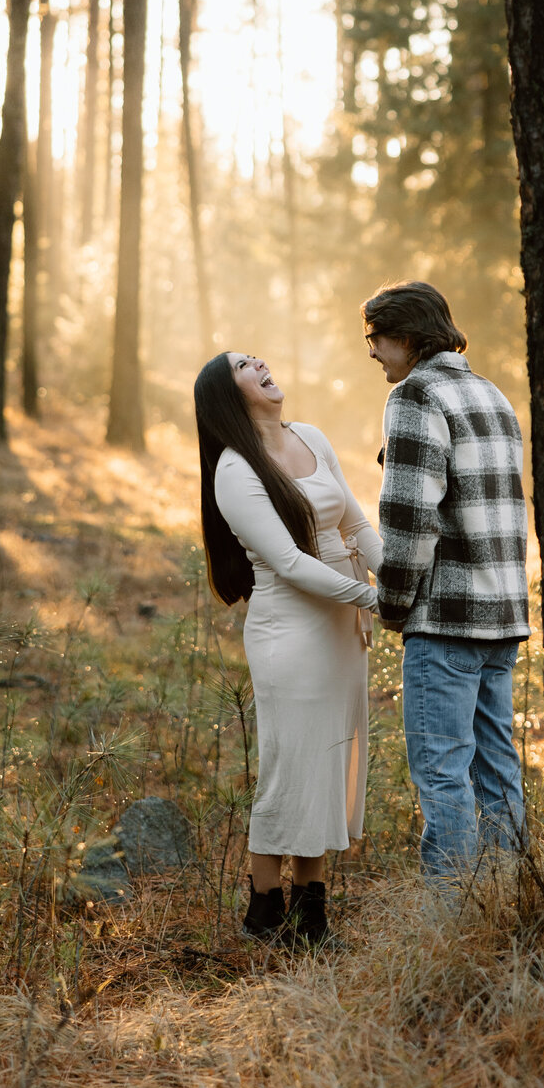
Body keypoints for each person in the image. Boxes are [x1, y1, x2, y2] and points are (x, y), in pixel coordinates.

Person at [194, 350, 382, 947]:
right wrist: (373, 599)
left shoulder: (311, 437)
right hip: (291, 633)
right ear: (230, 394)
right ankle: (264, 915)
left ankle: (311, 917)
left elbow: (354, 525)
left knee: (326, 764)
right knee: (289, 769)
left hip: (341, 631)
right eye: (245, 364)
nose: (262, 364)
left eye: (258, 356)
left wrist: (396, 582)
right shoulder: (234, 470)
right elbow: (289, 562)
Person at [364, 280, 529, 880]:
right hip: (502, 615)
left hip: (446, 619)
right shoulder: (492, 395)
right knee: (497, 769)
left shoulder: (416, 396)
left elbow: (409, 517)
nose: (372, 353)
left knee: (441, 774)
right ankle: (510, 901)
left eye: (376, 340)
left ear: (406, 338)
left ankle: (451, 922)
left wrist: (391, 602)